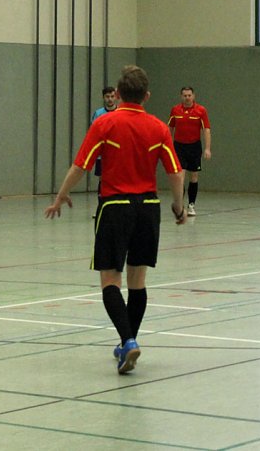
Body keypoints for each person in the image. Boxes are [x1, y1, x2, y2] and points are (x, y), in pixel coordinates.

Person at [45, 65, 187, 374]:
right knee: (138, 282)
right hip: (148, 207)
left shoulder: (105, 123)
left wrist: (61, 196)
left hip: (115, 206)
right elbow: (176, 172)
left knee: (110, 279)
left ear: (118, 95)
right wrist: (179, 207)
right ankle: (128, 343)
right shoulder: (160, 128)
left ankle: (128, 341)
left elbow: (80, 165)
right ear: (146, 96)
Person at [168, 86, 211, 216]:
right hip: (179, 146)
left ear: (193, 96)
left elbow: (206, 130)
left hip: (194, 147)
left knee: (193, 176)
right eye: (185, 95)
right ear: (181, 96)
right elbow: (170, 128)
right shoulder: (175, 110)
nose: (187, 98)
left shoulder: (201, 110)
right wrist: (168, 145)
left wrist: (207, 148)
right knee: (180, 176)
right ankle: (179, 204)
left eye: (189, 95)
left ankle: (191, 204)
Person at [90, 86, 119, 194]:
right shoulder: (98, 114)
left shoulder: (120, 112)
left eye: (112, 96)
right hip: (102, 154)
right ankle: (101, 199)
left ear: (116, 97)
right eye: (107, 97)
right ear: (103, 98)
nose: (110, 99)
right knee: (102, 178)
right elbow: (94, 133)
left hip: (117, 153)